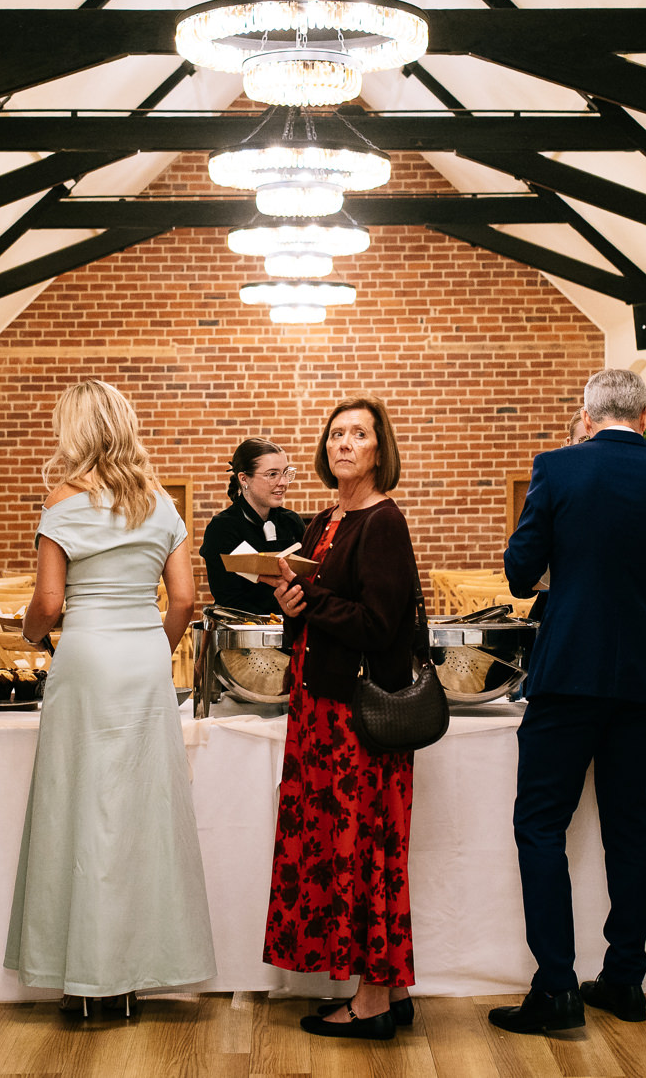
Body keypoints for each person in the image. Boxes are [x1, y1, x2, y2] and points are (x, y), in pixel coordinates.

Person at [494, 368, 646, 1036]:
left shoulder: (556, 468)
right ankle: (625, 977)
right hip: (640, 675)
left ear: (586, 414)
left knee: (540, 825)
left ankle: (556, 986)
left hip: (568, 672)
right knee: (628, 828)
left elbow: (520, 571)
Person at [5, 380, 216, 1009]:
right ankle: (136, 973)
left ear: (76, 431)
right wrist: (154, 643)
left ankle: (87, 980)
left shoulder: (61, 501)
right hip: (144, 659)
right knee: (145, 813)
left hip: (88, 657)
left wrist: (28, 631)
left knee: (81, 811)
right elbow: (183, 600)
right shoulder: (160, 504)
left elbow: (48, 603)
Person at [266, 396, 421, 1041]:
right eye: (335, 435)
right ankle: (381, 988)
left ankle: (374, 1000)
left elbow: (384, 626)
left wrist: (314, 602)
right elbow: (315, 613)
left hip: (358, 720)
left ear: (380, 448)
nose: (344, 444)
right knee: (337, 850)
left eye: (358, 434)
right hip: (318, 713)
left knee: (365, 851)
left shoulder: (382, 521)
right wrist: (289, 601)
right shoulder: (322, 521)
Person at [201, 437, 307, 614]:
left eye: (285, 473)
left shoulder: (292, 522)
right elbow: (229, 598)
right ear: (244, 479)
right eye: (272, 474)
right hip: (244, 632)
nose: (283, 483)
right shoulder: (222, 528)